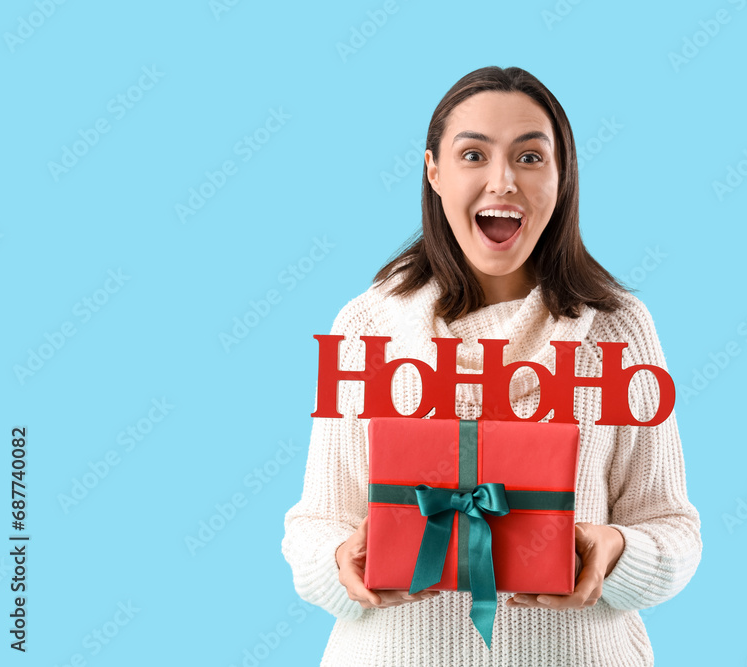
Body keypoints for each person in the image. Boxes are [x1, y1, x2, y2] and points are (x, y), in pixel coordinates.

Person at [282, 65, 702, 666]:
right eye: (473, 154)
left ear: (562, 177)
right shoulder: (366, 327)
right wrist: (337, 561)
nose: (502, 180)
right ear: (433, 172)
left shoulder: (617, 329)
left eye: (530, 158)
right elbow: (315, 523)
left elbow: (673, 529)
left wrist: (618, 551)